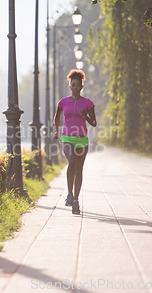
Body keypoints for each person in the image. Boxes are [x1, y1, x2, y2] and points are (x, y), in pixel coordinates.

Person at [53, 69, 97, 214]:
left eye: (78, 85)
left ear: (82, 87)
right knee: (71, 162)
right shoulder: (63, 102)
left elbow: (94, 123)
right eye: (73, 85)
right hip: (66, 137)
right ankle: (70, 194)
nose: (76, 87)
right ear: (70, 86)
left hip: (82, 139)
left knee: (79, 170)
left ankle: (76, 201)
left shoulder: (87, 103)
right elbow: (57, 117)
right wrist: (56, 131)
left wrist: (86, 117)